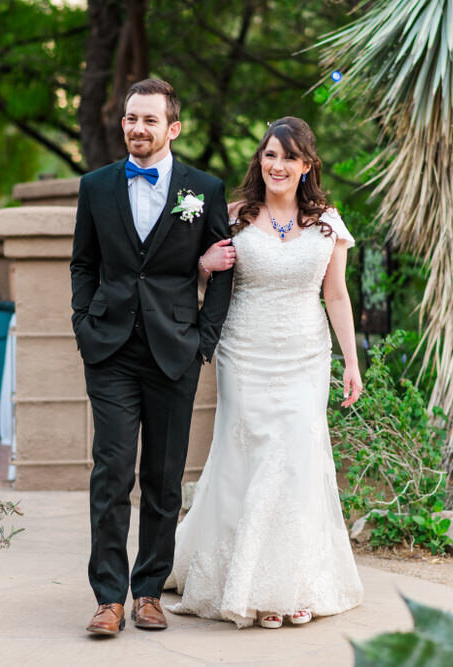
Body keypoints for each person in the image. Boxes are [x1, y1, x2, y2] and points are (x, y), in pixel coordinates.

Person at [166, 116, 364, 629]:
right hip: (244, 350)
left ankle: (290, 581)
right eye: (270, 155)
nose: (277, 165)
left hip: (305, 353)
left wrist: (352, 362)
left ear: (306, 166)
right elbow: (185, 270)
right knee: (243, 456)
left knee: (295, 459)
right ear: (261, 160)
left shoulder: (327, 222)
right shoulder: (232, 216)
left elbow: (336, 295)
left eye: (289, 157)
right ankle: (240, 578)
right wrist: (204, 266)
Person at [70, 78, 234, 635]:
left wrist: (203, 342)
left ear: (173, 128)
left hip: (174, 351)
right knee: (111, 473)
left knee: (163, 479)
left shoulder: (203, 189)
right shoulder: (95, 186)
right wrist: (82, 325)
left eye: (149, 120)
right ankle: (109, 598)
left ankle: (149, 592)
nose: (138, 128)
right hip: (110, 350)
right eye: (130, 119)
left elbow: (225, 270)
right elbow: (83, 263)